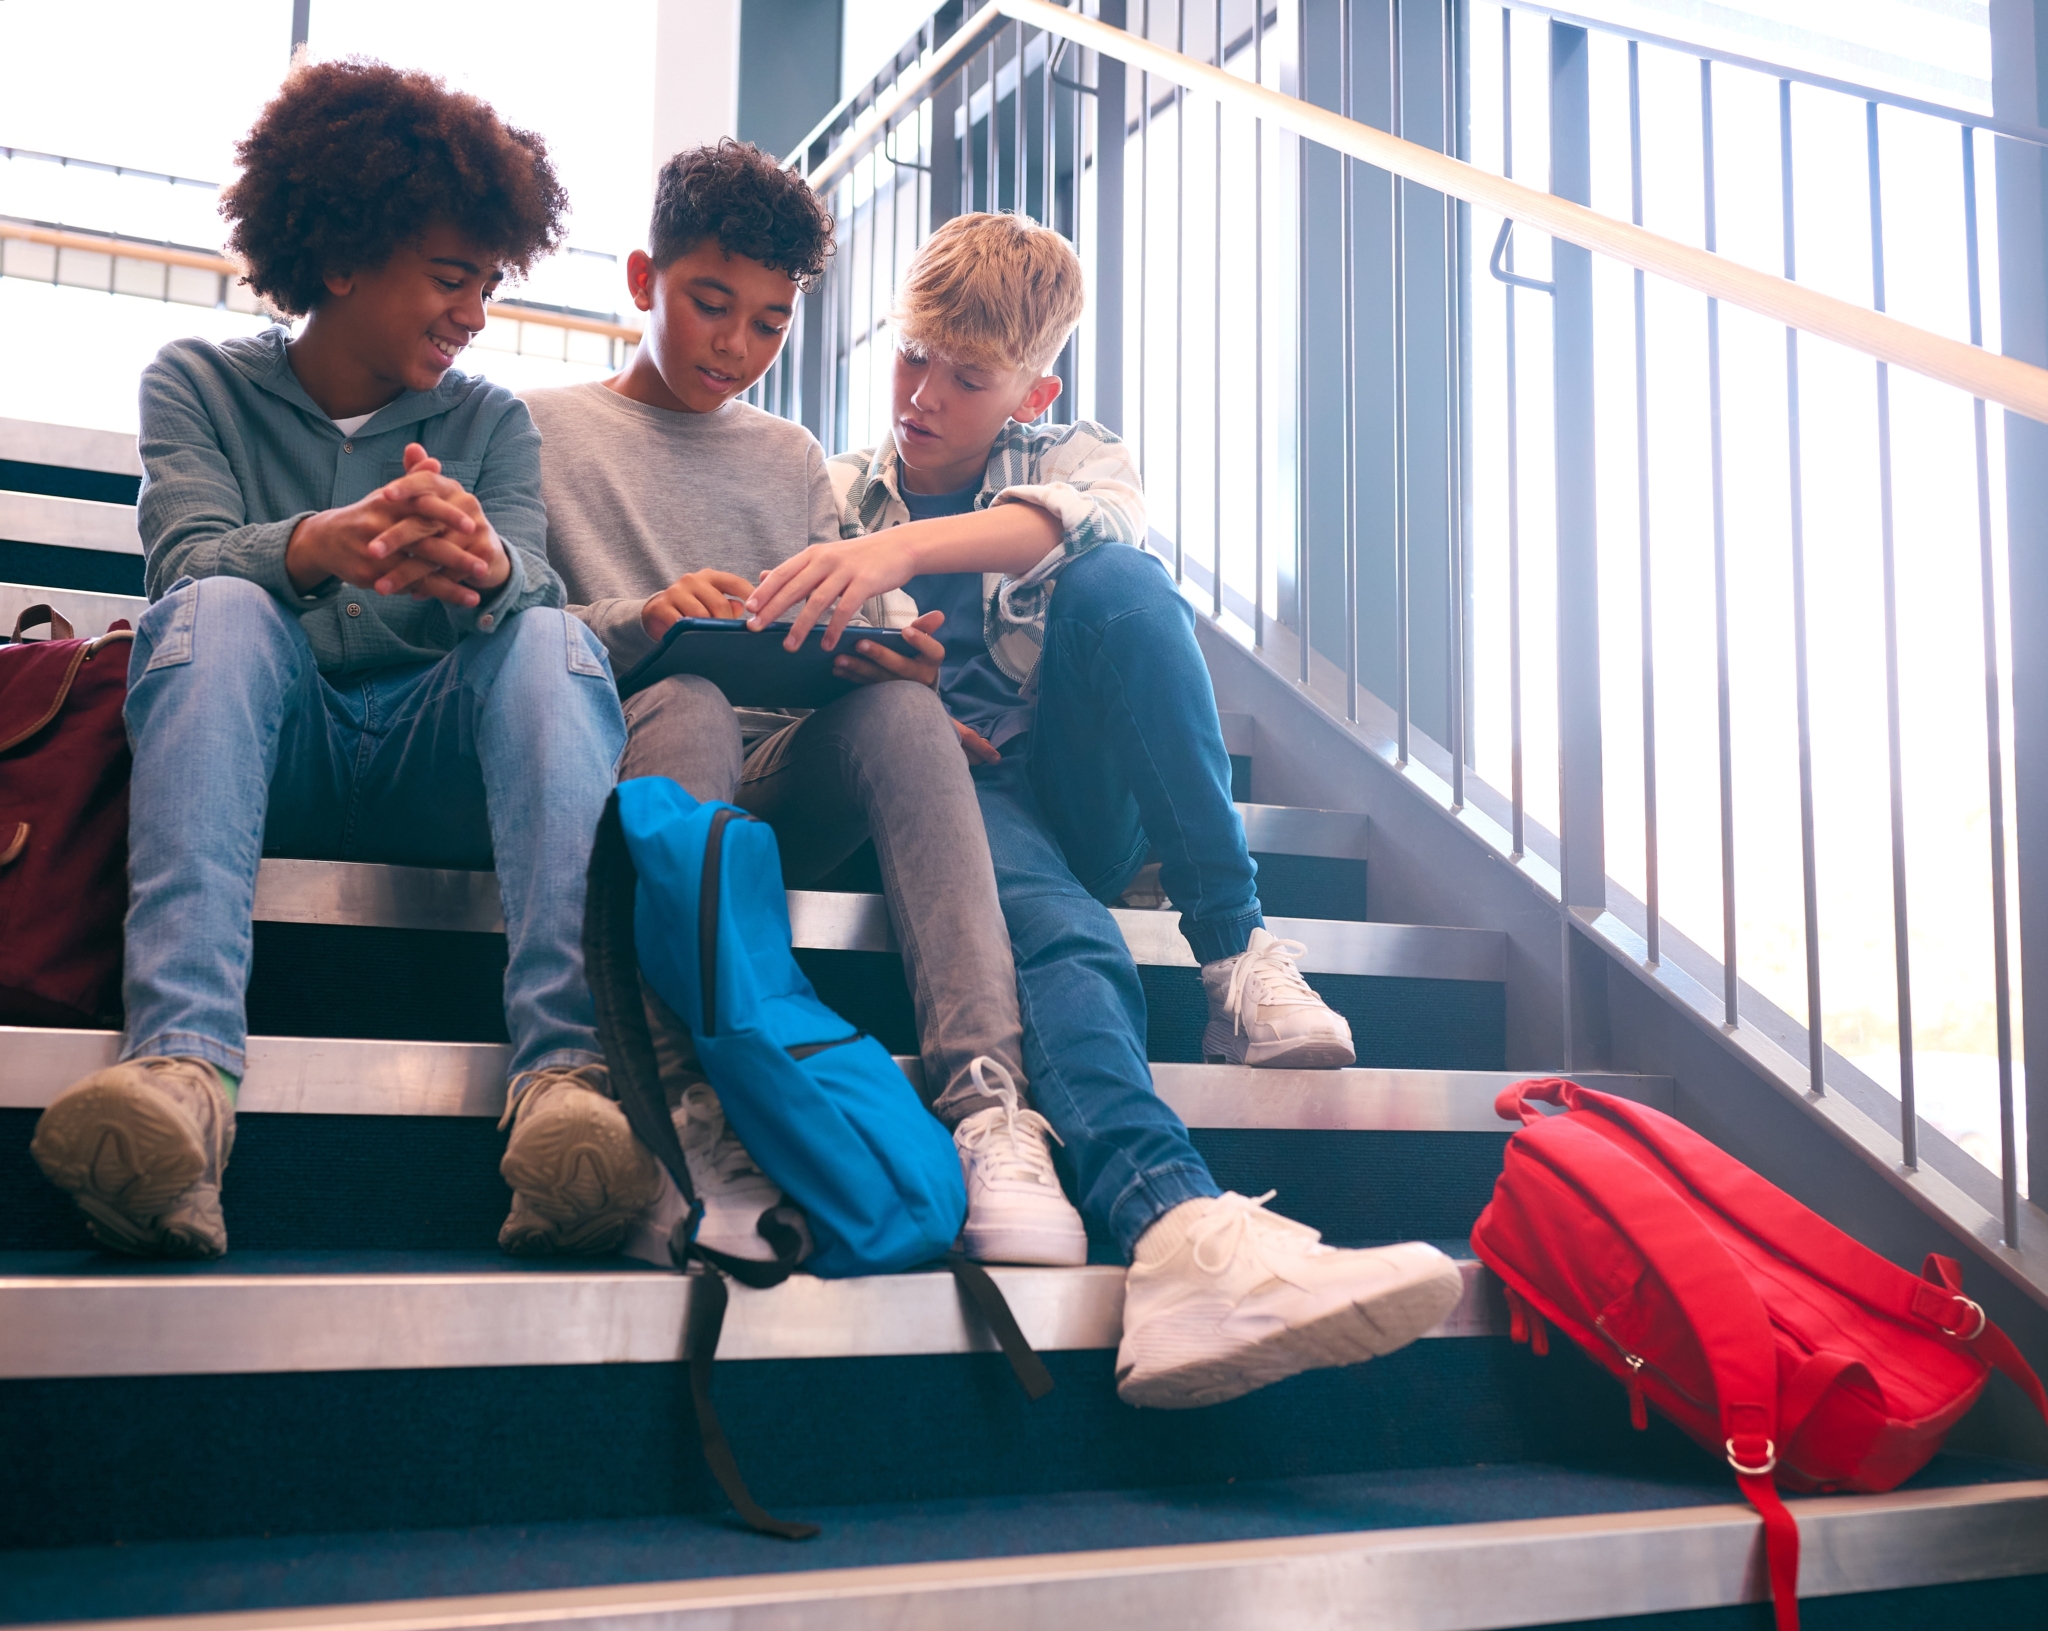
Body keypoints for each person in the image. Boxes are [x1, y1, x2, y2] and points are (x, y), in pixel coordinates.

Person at [745, 212, 1464, 1409]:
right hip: (951, 792)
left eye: (965, 379)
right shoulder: (832, 492)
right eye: (910, 356)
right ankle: (1175, 1228)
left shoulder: (1074, 452)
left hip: (1079, 788)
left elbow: (1096, 528)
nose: (921, 396)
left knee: (1125, 585)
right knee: (1068, 937)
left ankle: (1233, 949)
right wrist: (889, 674)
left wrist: (899, 557)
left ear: (1033, 388)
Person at [29, 60, 656, 1260]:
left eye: (489, 282)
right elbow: (184, 565)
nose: (475, 312)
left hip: (438, 769)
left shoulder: (491, 423)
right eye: (450, 277)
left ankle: (569, 1085)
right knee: (210, 612)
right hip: (277, 754)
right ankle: (181, 1076)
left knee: (548, 636)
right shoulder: (197, 383)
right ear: (340, 259)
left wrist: (483, 563)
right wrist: (318, 548)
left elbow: (531, 588)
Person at [523, 141, 1084, 1269]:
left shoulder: (790, 459)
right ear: (643, 281)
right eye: (709, 306)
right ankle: (683, 1095)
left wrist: (888, 657)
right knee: (681, 689)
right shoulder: (537, 429)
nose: (736, 347)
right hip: (631, 769)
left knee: (905, 713)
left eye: (769, 324)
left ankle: (986, 1105)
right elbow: (506, 644)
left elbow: (840, 621)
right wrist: (645, 616)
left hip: (779, 775)